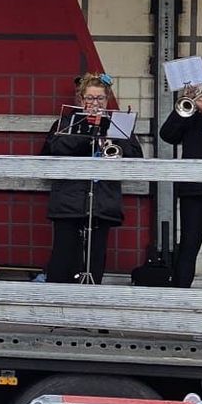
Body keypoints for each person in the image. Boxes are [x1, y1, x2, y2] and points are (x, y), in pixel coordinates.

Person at [41, 74, 141, 285]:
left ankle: (90, 297)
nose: (95, 103)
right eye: (90, 98)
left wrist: (113, 141)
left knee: (95, 256)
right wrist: (86, 133)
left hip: (102, 202)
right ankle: (57, 298)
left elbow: (136, 158)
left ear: (107, 100)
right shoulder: (65, 123)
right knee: (63, 256)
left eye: (100, 98)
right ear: (81, 99)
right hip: (69, 202)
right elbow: (51, 152)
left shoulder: (117, 124)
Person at [158, 62, 202, 288]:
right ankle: (179, 295)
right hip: (193, 187)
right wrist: (185, 106)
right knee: (188, 244)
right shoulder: (189, 107)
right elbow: (167, 135)